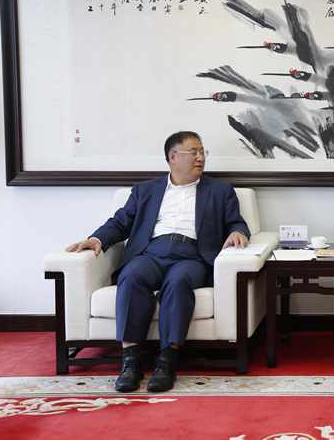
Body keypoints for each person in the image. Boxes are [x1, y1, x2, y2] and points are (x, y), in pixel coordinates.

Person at [66, 131, 250, 393]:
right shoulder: (145, 190)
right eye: (194, 152)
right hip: (151, 252)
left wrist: (238, 232)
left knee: (178, 282)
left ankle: (167, 361)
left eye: (202, 152)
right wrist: (97, 239)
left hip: (192, 255)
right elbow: (120, 222)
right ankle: (131, 361)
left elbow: (236, 222)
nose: (200, 157)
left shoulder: (220, 191)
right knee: (131, 276)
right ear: (173, 157)